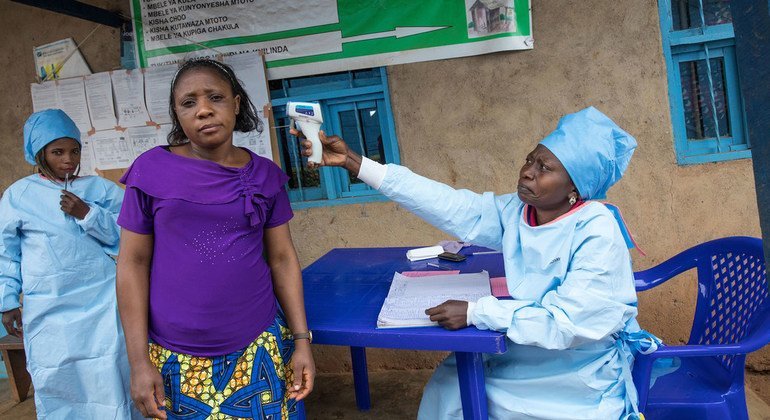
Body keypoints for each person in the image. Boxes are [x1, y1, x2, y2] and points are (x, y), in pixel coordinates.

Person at [295, 106, 659, 419]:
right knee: (447, 386)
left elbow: (566, 325)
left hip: (576, 372)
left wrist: (477, 313)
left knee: (461, 388)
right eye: (531, 159)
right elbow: (452, 205)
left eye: (545, 167)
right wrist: (356, 163)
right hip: (525, 345)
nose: (528, 171)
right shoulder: (521, 212)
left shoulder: (597, 230)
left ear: (575, 189)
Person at [116, 58, 315, 420]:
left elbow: (282, 258)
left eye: (215, 98)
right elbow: (133, 263)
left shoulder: (266, 176)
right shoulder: (151, 171)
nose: (204, 110)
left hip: (259, 348)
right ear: (177, 115)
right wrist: (138, 361)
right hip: (174, 356)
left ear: (236, 103)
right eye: (189, 103)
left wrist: (302, 341)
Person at [0, 109, 139, 419]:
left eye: (74, 150)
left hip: (102, 303)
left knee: (110, 373)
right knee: (57, 378)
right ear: (39, 154)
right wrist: (7, 301)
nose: (69, 159)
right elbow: (5, 252)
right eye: (57, 152)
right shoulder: (18, 196)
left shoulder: (99, 189)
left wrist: (88, 214)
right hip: (49, 307)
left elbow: (131, 235)